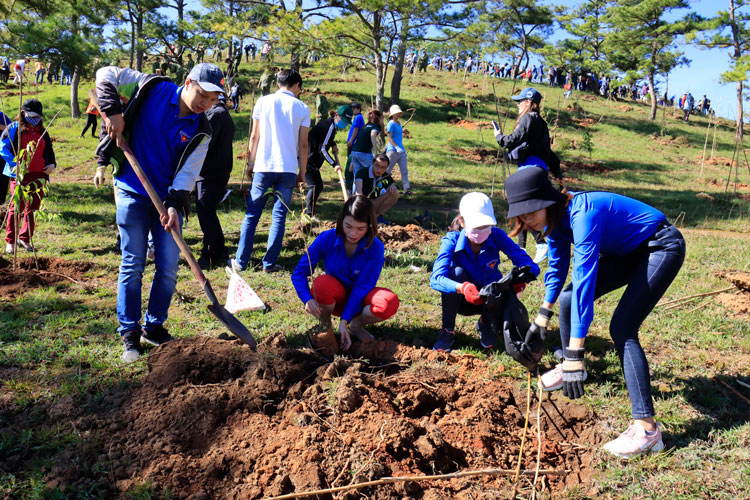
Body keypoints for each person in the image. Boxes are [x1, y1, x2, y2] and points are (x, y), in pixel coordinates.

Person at [504, 167, 685, 459]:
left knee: (623, 328)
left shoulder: (583, 214)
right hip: (629, 253)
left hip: (661, 246)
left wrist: (575, 352)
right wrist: (542, 315)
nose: (527, 221)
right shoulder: (553, 223)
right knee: (566, 298)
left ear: (547, 200)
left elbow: (585, 282)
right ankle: (571, 369)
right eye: (521, 217)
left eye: (530, 212)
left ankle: (647, 431)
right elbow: (559, 268)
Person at [95, 62, 223, 362]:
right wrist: (112, 111)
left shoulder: (202, 127)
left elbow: (189, 171)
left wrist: (174, 204)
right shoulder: (151, 87)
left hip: (166, 199)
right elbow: (105, 74)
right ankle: (129, 332)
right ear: (188, 82)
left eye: (213, 100)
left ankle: (153, 327)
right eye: (203, 95)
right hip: (130, 188)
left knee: (167, 267)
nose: (205, 104)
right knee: (134, 262)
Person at [430, 192, 538, 353]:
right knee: (457, 272)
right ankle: (447, 330)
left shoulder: (497, 236)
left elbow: (526, 261)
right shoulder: (451, 240)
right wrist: (463, 288)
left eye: (485, 226)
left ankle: (485, 324)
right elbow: (436, 278)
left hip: (490, 298)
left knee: (503, 286)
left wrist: (523, 276)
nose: (481, 232)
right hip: (461, 299)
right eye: (476, 227)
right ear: (462, 222)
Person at [291, 195, 400, 351]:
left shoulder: (375, 247)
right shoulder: (326, 238)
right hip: (334, 300)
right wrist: (307, 299)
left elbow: (362, 287)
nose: (353, 233)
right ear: (341, 221)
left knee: (387, 302)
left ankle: (355, 326)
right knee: (321, 284)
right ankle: (326, 327)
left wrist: (345, 321)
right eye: (348, 226)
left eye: (360, 228)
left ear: (369, 226)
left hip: (361, 300)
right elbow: (299, 273)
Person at [231, 69, 310, 273]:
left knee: (251, 215)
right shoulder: (302, 107)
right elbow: (303, 145)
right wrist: (302, 171)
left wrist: (250, 162)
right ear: (296, 86)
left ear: (277, 83)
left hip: (264, 167)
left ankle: (241, 262)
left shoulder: (263, 102)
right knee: (279, 216)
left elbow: (254, 136)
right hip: (288, 169)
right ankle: (269, 263)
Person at [493, 87, 562, 264]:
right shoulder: (543, 124)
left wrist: (499, 137)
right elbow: (548, 152)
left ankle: (540, 244)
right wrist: (558, 176)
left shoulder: (527, 118)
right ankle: (522, 247)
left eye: (520, 101)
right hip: (539, 169)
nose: (518, 105)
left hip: (528, 169)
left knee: (521, 207)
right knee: (524, 208)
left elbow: (514, 139)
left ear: (528, 102)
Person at [0, 99, 57, 254]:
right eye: (32, 115)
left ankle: (24, 238)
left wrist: (52, 165)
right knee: (16, 207)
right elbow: (3, 148)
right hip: (19, 175)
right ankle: (10, 241)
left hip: (40, 175)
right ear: (23, 113)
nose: (35, 119)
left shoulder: (42, 131)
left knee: (32, 208)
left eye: (38, 116)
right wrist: (14, 163)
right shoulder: (14, 128)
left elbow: (49, 151)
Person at [195, 95, 235, 270]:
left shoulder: (215, 114)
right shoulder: (221, 113)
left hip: (211, 172)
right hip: (215, 171)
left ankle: (209, 253)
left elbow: (203, 142)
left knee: (205, 213)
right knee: (208, 212)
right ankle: (220, 250)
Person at [305, 109, 347, 219]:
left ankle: (310, 213)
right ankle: (308, 215)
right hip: (308, 158)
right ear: (337, 115)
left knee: (316, 185)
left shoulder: (329, 124)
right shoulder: (329, 126)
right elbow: (322, 149)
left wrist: (333, 144)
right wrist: (334, 164)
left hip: (310, 157)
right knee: (315, 186)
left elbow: (324, 139)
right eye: (344, 120)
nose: (345, 123)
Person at [354, 153, 399, 225]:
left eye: (383, 167)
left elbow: (392, 186)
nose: (379, 170)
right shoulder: (362, 172)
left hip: (375, 202)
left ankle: (377, 217)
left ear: (387, 167)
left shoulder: (385, 176)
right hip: (363, 203)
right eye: (377, 165)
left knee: (394, 192)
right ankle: (364, 217)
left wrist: (392, 186)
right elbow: (358, 191)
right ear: (372, 163)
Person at [384, 104, 411, 196]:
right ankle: (382, 187)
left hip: (401, 150)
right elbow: (389, 138)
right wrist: (396, 147)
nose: (398, 114)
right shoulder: (390, 124)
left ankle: (406, 189)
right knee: (387, 170)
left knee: (404, 170)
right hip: (392, 150)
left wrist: (400, 148)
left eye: (399, 113)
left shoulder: (399, 124)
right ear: (392, 114)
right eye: (397, 113)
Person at [349, 109, 382, 178]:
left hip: (354, 151)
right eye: (382, 118)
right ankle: (374, 187)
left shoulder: (365, 126)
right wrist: (375, 151)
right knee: (373, 171)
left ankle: (356, 188)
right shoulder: (374, 127)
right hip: (364, 153)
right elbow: (373, 135)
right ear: (378, 118)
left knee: (357, 175)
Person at [344, 102, 364, 192]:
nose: (353, 110)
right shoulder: (357, 117)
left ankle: (350, 184)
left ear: (359, 109)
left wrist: (351, 141)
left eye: (354, 108)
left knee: (351, 165)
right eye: (352, 108)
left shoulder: (358, 117)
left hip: (354, 144)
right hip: (355, 143)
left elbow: (356, 130)